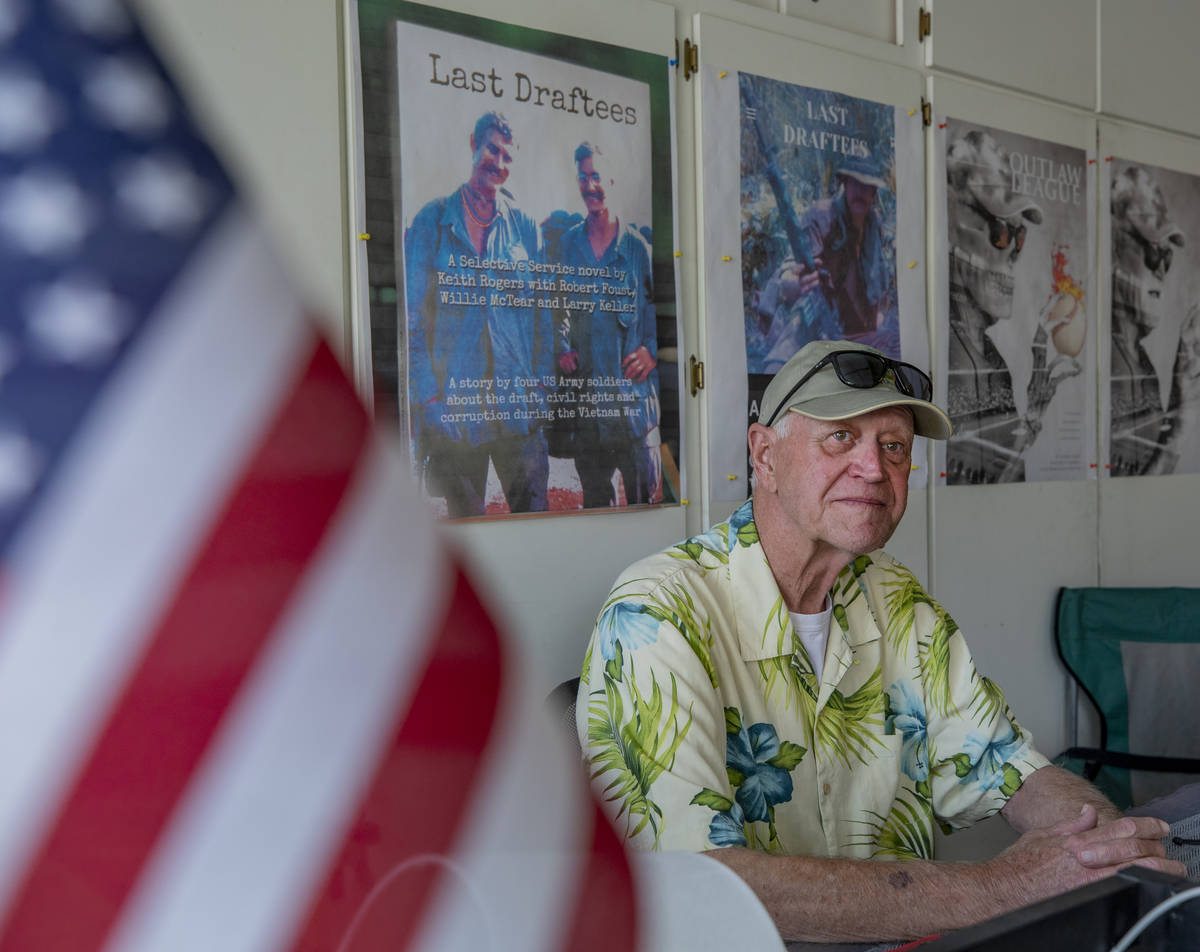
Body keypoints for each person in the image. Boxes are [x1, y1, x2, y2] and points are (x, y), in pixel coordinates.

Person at [577, 338, 1183, 945]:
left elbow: (1004, 765)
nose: (873, 468)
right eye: (840, 437)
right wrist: (1004, 885)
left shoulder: (893, 596)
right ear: (764, 455)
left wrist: (1110, 847)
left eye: (893, 446)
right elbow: (702, 882)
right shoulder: (657, 613)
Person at [404, 111, 554, 517]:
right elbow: (412, 323)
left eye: (508, 156)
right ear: (473, 144)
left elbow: (544, 318)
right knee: (469, 532)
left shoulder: (525, 228)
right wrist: (429, 398)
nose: (498, 163)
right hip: (458, 414)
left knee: (536, 525)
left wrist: (542, 388)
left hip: (519, 414)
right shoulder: (432, 221)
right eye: (492, 149)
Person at [945, 129, 1080, 485]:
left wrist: (1031, 420)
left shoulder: (992, 360)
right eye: (1000, 230)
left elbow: (998, 486)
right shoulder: (943, 354)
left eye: (1019, 237)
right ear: (950, 217)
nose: (1013, 252)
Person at [553, 142, 662, 506]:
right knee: (597, 509)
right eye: (583, 177)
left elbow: (658, 315)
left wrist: (651, 352)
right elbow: (558, 309)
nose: (590, 185)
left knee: (644, 507)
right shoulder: (568, 246)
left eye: (597, 175)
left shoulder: (637, 249)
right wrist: (562, 348)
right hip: (589, 413)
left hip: (632, 411)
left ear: (613, 180)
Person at [756, 155, 897, 371]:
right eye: (855, 184)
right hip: (813, 314)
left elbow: (876, 284)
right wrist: (797, 283)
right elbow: (791, 271)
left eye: (867, 186)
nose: (860, 192)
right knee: (780, 365)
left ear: (874, 192)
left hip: (850, 330)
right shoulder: (822, 216)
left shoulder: (873, 223)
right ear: (845, 184)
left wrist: (875, 320)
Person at [1109, 164, 1200, 476]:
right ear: (1113, 245)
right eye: (1152, 252)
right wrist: (1180, 421)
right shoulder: (1101, 352)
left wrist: (1181, 403)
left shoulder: (1143, 364)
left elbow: (1144, 485)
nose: (1161, 270)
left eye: (1167, 256)